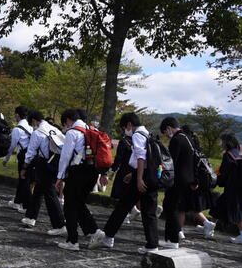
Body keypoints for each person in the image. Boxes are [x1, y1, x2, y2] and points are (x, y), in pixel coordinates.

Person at [89, 112, 159, 254]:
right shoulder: (148, 134)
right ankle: (152, 245)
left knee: (123, 207)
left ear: (129, 125)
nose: (125, 131)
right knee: (149, 212)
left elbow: (141, 158)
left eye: (124, 128)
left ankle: (108, 237)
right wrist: (133, 174)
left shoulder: (137, 135)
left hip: (141, 176)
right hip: (151, 176)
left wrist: (138, 178)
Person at [159, 118, 216, 245]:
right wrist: (194, 180)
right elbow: (194, 161)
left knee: (171, 207)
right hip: (188, 179)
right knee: (175, 207)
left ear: (168, 128)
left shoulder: (176, 140)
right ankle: (174, 237)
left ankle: (172, 239)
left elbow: (171, 161)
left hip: (177, 179)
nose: (166, 135)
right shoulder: (188, 138)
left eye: (165, 132)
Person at [54, 109, 105, 250]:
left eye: (65, 123)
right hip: (92, 171)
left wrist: (60, 176)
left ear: (69, 120)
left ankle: (72, 241)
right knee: (78, 203)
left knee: (69, 206)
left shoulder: (73, 132)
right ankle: (94, 231)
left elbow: (65, 156)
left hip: (78, 172)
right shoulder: (91, 129)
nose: (66, 126)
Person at [21, 109, 66, 234]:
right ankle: (30, 217)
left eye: (31, 124)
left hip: (44, 163)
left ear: (34, 121)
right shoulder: (54, 129)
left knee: (50, 194)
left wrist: (24, 167)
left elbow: (30, 153)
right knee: (39, 190)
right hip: (56, 163)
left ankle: (59, 225)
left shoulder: (38, 133)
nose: (32, 126)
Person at [210, 133, 242, 244]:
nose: (220, 143)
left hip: (232, 188)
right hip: (237, 187)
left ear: (226, 142)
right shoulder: (236, 153)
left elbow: (224, 172)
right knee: (218, 207)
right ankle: (209, 227)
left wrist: (216, 180)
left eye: (221, 141)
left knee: (237, 211)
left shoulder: (228, 155)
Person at [180, 124, 216, 238]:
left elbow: (191, 167)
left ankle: (179, 230)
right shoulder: (199, 151)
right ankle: (207, 224)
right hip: (199, 183)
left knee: (182, 207)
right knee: (192, 207)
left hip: (191, 183)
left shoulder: (189, 149)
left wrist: (193, 182)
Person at [2, 106, 34, 212]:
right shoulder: (30, 127)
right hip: (31, 154)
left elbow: (12, 146)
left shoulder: (17, 129)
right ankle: (17, 202)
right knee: (23, 179)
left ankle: (27, 206)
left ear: (17, 115)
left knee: (24, 180)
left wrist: (6, 159)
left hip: (23, 155)